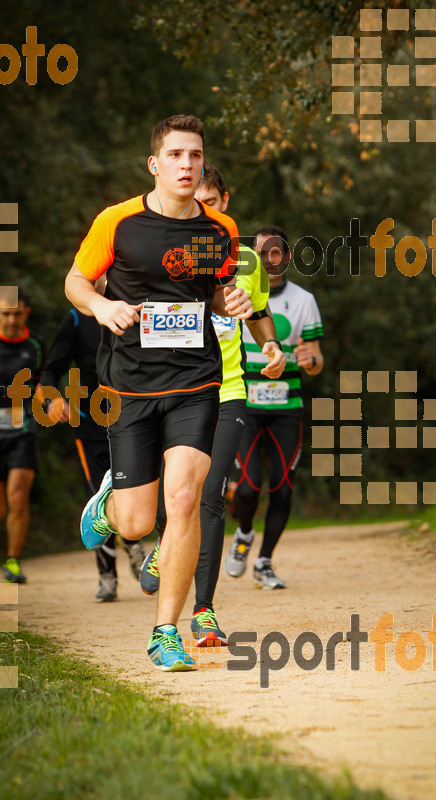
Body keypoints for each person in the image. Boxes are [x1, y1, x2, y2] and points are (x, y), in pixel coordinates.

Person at [64, 114, 253, 672]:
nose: (187, 166)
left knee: (187, 499)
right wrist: (101, 305)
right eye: (175, 156)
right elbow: (75, 280)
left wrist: (233, 303)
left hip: (196, 381)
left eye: (195, 156)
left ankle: (165, 631)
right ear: (155, 163)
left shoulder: (222, 229)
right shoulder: (117, 221)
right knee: (135, 525)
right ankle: (110, 500)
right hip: (129, 385)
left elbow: (216, 294)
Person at [139, 162, 285, 646]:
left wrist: (270, 346)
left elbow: (259, 312)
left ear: (226, 202)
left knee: (209, 498)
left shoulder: (246, 258)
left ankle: (203, 611)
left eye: (214, 201)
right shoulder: (165, 250)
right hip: (170, 390)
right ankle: (162, 541)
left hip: (227, 392)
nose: (207, 210)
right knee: (172, 496)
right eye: (198, 202)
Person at [225, 226, 324, 588]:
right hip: (245, 400)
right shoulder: (234, 291)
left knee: (282, 487)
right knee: (248, 488)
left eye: (276, 251)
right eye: (261, 251)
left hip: (288, 403)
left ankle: (264, 561)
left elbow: (316, 359)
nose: (269, 258)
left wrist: (311, 360)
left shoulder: (304, 300)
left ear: (286, 256)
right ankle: (245, 533)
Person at [39, 303, 146, 602]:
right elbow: (50, 371)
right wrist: (52, 399)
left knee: (132, 489)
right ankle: (107, 576)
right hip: (89, 424)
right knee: (97, 496)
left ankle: (134, 544)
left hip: (132, 419)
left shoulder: (132, 306)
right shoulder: (75, 317)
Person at [0, 289, 44, 583]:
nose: (11, 319)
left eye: (17, 313)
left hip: (22, 427)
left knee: (17, 496)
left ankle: (13, 561)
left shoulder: (35, 346)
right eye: (5, 313)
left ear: (26, 312)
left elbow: (42, 383)